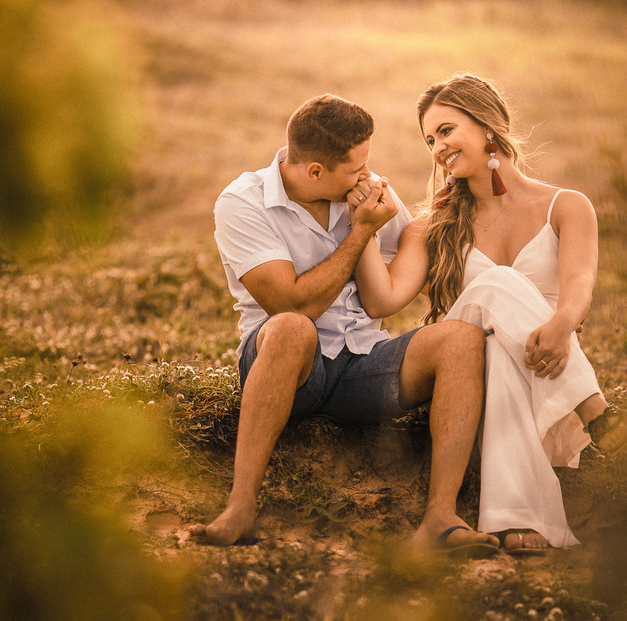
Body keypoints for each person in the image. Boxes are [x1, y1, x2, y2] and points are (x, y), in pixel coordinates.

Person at [188, 93, 499, 556]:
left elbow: (393, 286)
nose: (368, 178)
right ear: (315, 171)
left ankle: (440, 517)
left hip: (362, 363)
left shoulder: (368, 192)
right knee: (294, 328)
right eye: (356, 170)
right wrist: (359, 234)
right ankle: (240, 508)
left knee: (460, 339)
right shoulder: (242, 203)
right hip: (290, 368)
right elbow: (292, 302)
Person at [352, 74, 626, 554]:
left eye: (446, 130)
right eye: (429, 140)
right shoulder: (434, 225)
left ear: (486, 126)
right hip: (470, 386)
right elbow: (383, 301)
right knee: (495, 284)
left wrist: (562, 325)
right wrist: (362, 232)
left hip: (544, 374)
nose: (437, 147)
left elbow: (579, 284)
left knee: (503, 354)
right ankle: (593, 409)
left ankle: (516, 519)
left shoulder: (567, 206)